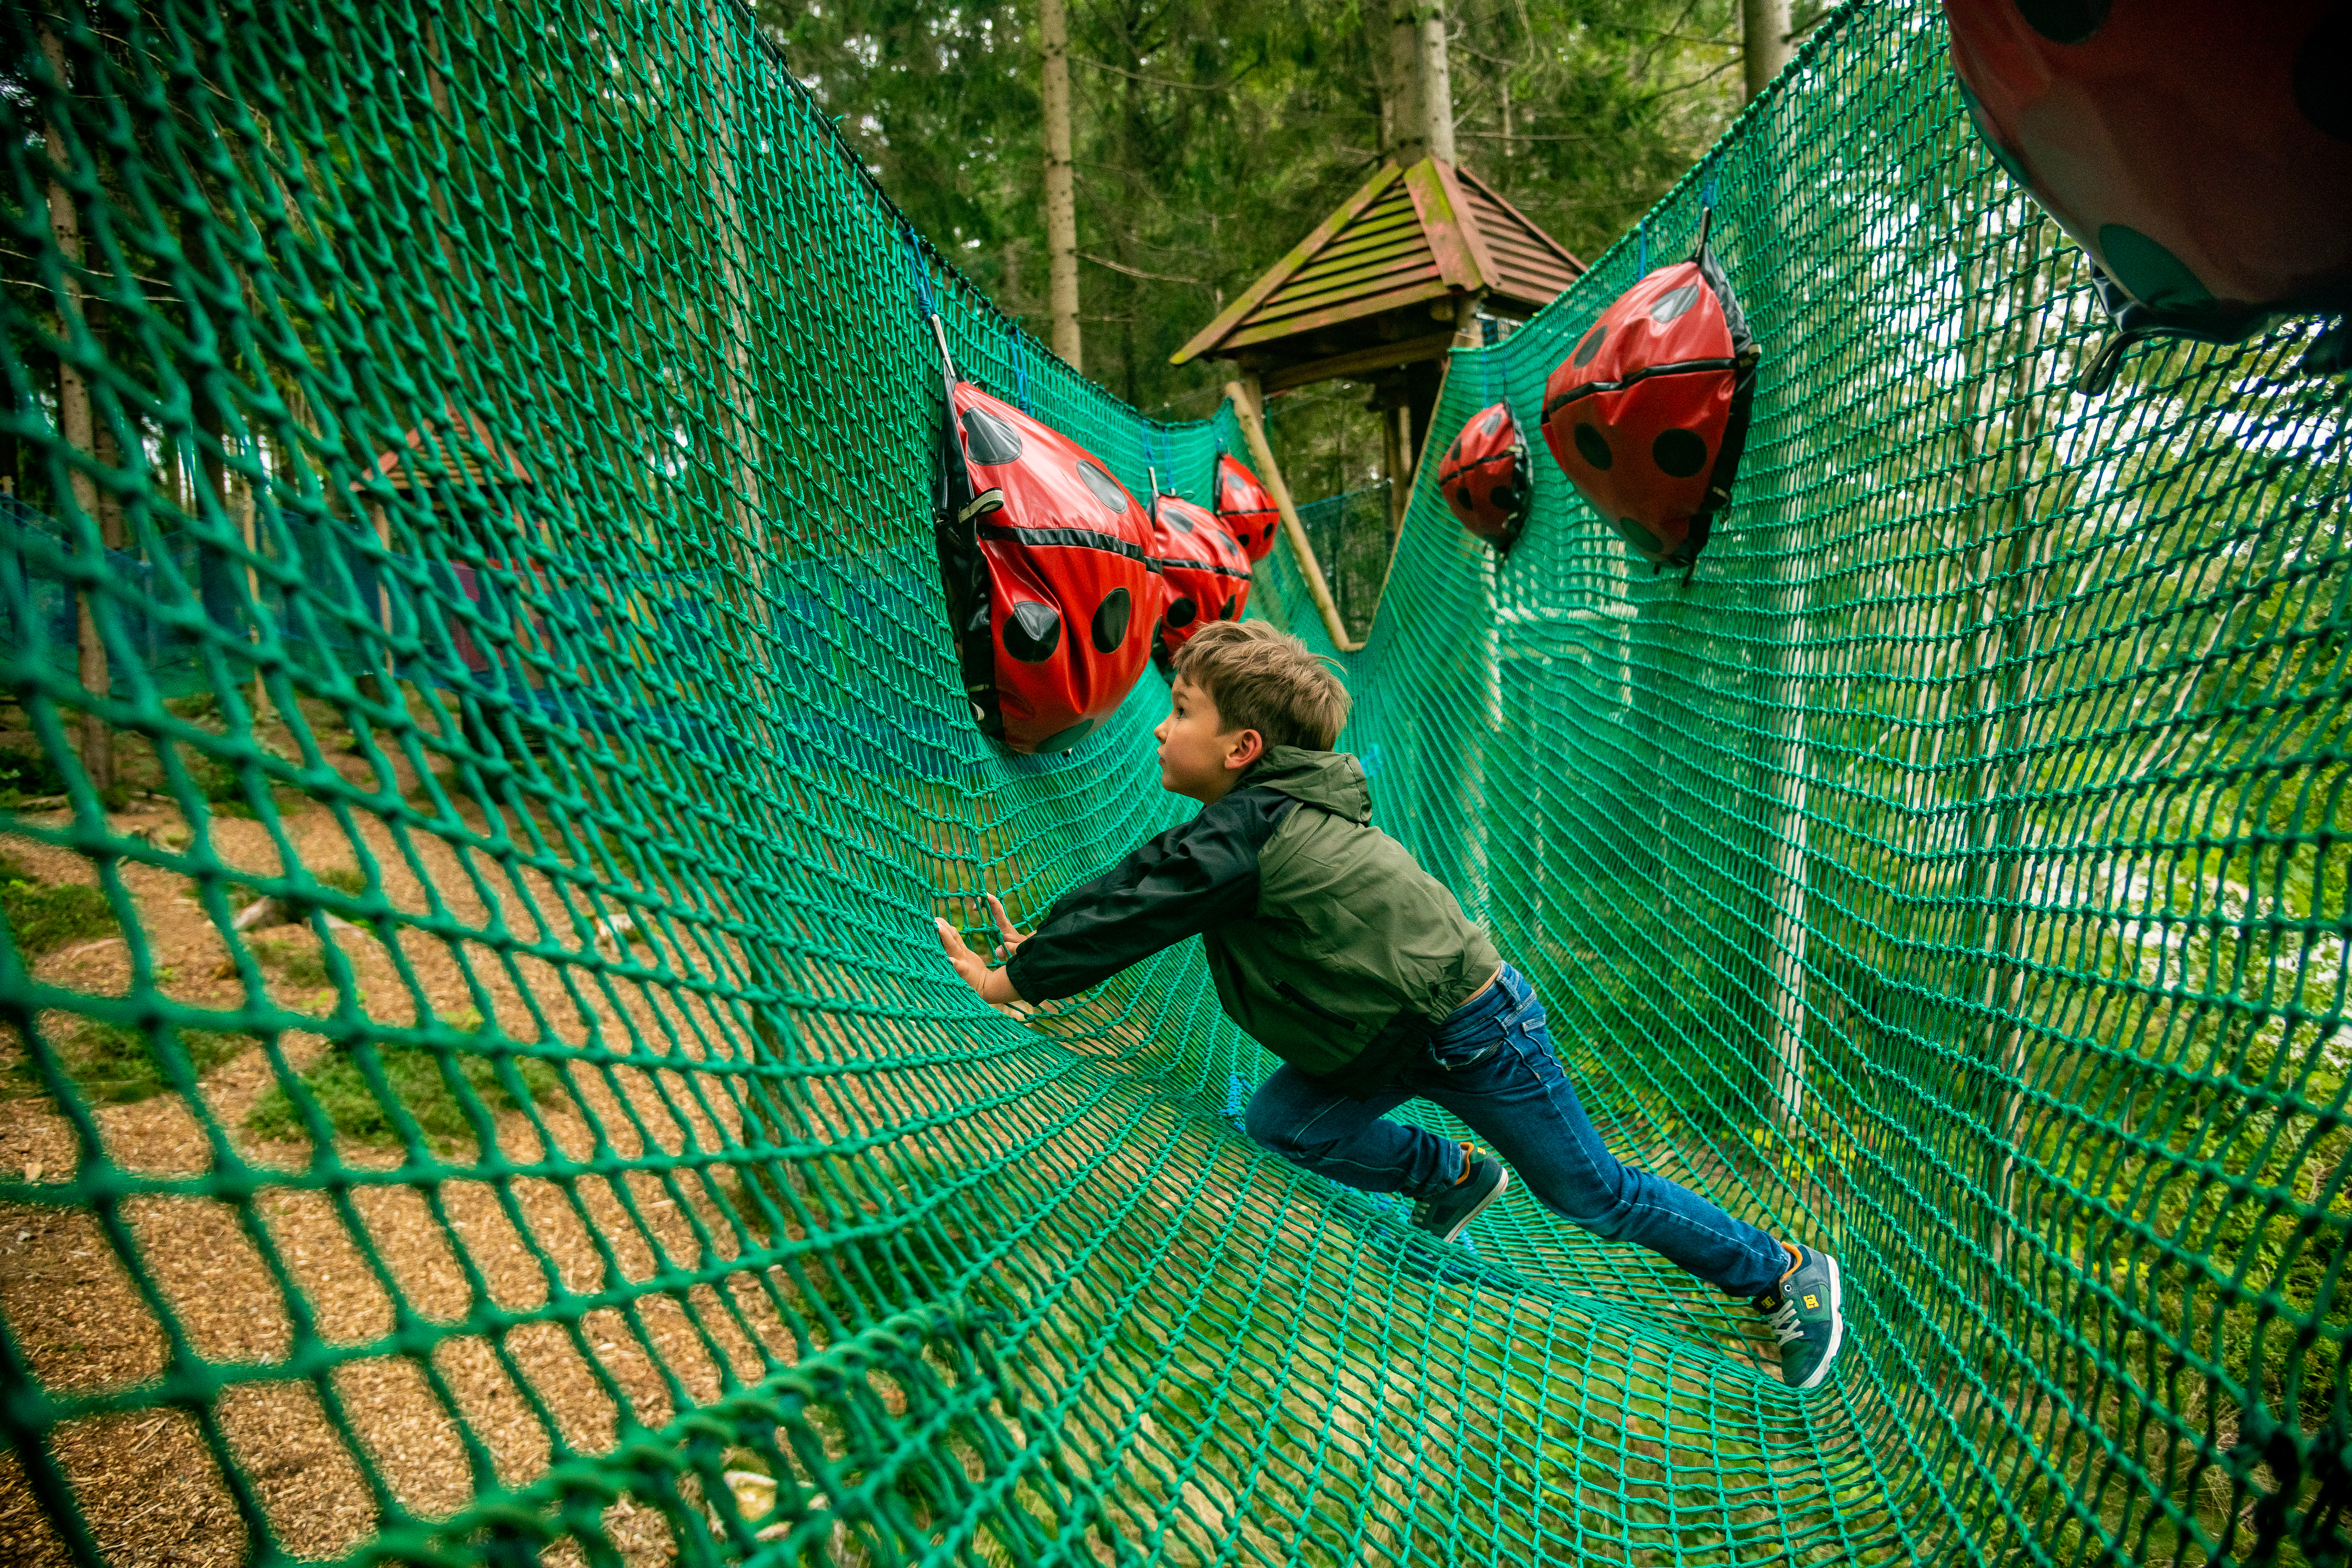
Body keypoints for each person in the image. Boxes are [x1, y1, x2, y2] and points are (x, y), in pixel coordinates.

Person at [933, 621, 1845, 1390]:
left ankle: (1784, 1275)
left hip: (1478, 1031)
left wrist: (1011, 982)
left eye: (1181, 714)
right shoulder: (1242, 826)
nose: (1162, 732)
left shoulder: (1259, 830)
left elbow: (1141, 910)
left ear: (1243, 750)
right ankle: (1452, 1177)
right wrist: (1045, 942)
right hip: (1383, 1035)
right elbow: (1146, 884)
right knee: (1285, 1122)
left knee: (1591, 1195)